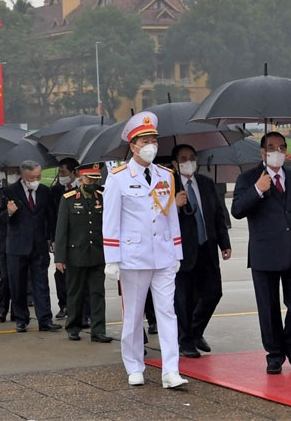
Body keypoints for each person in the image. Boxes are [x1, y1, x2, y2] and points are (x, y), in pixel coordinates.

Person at [102, 112, 188, 389]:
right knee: (134, 315)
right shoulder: (118, 178)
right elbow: (111, 220)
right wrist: (112, 259)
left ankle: (171, 370)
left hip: (163, 254)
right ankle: (134, 365)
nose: (151, 145)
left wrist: (177, 251)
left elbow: (171, 216)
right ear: (133, 146)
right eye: (145, 141)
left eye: (154, 140)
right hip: (133, 257)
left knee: (167, 312)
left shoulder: (166, 175)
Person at [231, 132, 291, 375]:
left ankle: (289, 344)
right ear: (262, 152)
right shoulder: (248, 178)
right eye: (272, 147)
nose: (277, 151)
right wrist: (257, 189)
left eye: (282, 147)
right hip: (265, 254)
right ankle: (274, 355)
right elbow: (237, 210)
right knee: (268, 309)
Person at [170, 144, 232, 358]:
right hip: (183, 251)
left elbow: (217, 215)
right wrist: (174, 206)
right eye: (183, 159)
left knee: (213, 292)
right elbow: (158, 218)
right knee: (184, 299)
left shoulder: (206, 183)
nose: (188, 162)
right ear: (174, 164)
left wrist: (224, 243)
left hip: (207, 246)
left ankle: (196, 332)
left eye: (192, 157)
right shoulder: (169, 186)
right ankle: (186, 341)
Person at [0, 160, 61, 333]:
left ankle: (45, 319)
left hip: (39, 245)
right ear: (22, 176)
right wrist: (8, 213)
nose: (35, 180)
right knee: (18, 284)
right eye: (31, 177)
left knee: (41, 283)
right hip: (17, 246)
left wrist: (53, 238)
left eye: (38, 176)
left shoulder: (44, 191)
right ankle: (21, 319)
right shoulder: (9, 191)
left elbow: (51, 216)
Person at [54, 163, 111, 343]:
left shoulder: (103, 197)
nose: (92, 183)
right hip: (76, 254)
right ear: (81, 179)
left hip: (97, 253)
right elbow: (61, 230)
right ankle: (73, 327)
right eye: (89, 179)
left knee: (98, 293)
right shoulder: (69, 199)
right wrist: (59, 258)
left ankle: (98, 330)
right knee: (75, 293)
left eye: (95, 180)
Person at [50, 158, 80, 319]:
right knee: (60, 272)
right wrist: (52, 239)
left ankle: (80, 308)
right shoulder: (55, 191)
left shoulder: (81, 189)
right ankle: (64, 305)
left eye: (64, 172)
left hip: (79, 239)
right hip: (60, 238)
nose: (61, 175)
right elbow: (51, 216)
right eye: (59, 172)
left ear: (74, 172)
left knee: (78, 274)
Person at [0, 167, 19, 322]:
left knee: (18, 277)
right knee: (5, 276)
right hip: (3, 241)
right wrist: (7, 213)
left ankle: (17, 311)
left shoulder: (22, 193)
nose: (12, 176)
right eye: (10, 173)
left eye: (15, 173)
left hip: (19, 241)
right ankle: (2, 309)